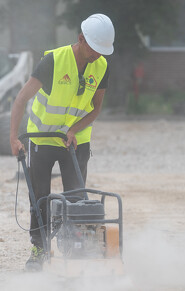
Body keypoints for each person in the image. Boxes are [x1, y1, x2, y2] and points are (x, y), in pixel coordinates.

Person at [10, 13, 115, 271]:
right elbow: (21, 99)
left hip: (75, 141)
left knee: (77, 197)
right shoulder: (53, 61)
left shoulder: (101, 66)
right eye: (95, 50)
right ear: (81, 39)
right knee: (41, 198)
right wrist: (13, 137)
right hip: (42, 138)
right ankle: (39, 249)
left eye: (104, 51)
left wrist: (74, 129)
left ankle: (78, 249)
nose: (99, 56)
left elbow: (96, 109)